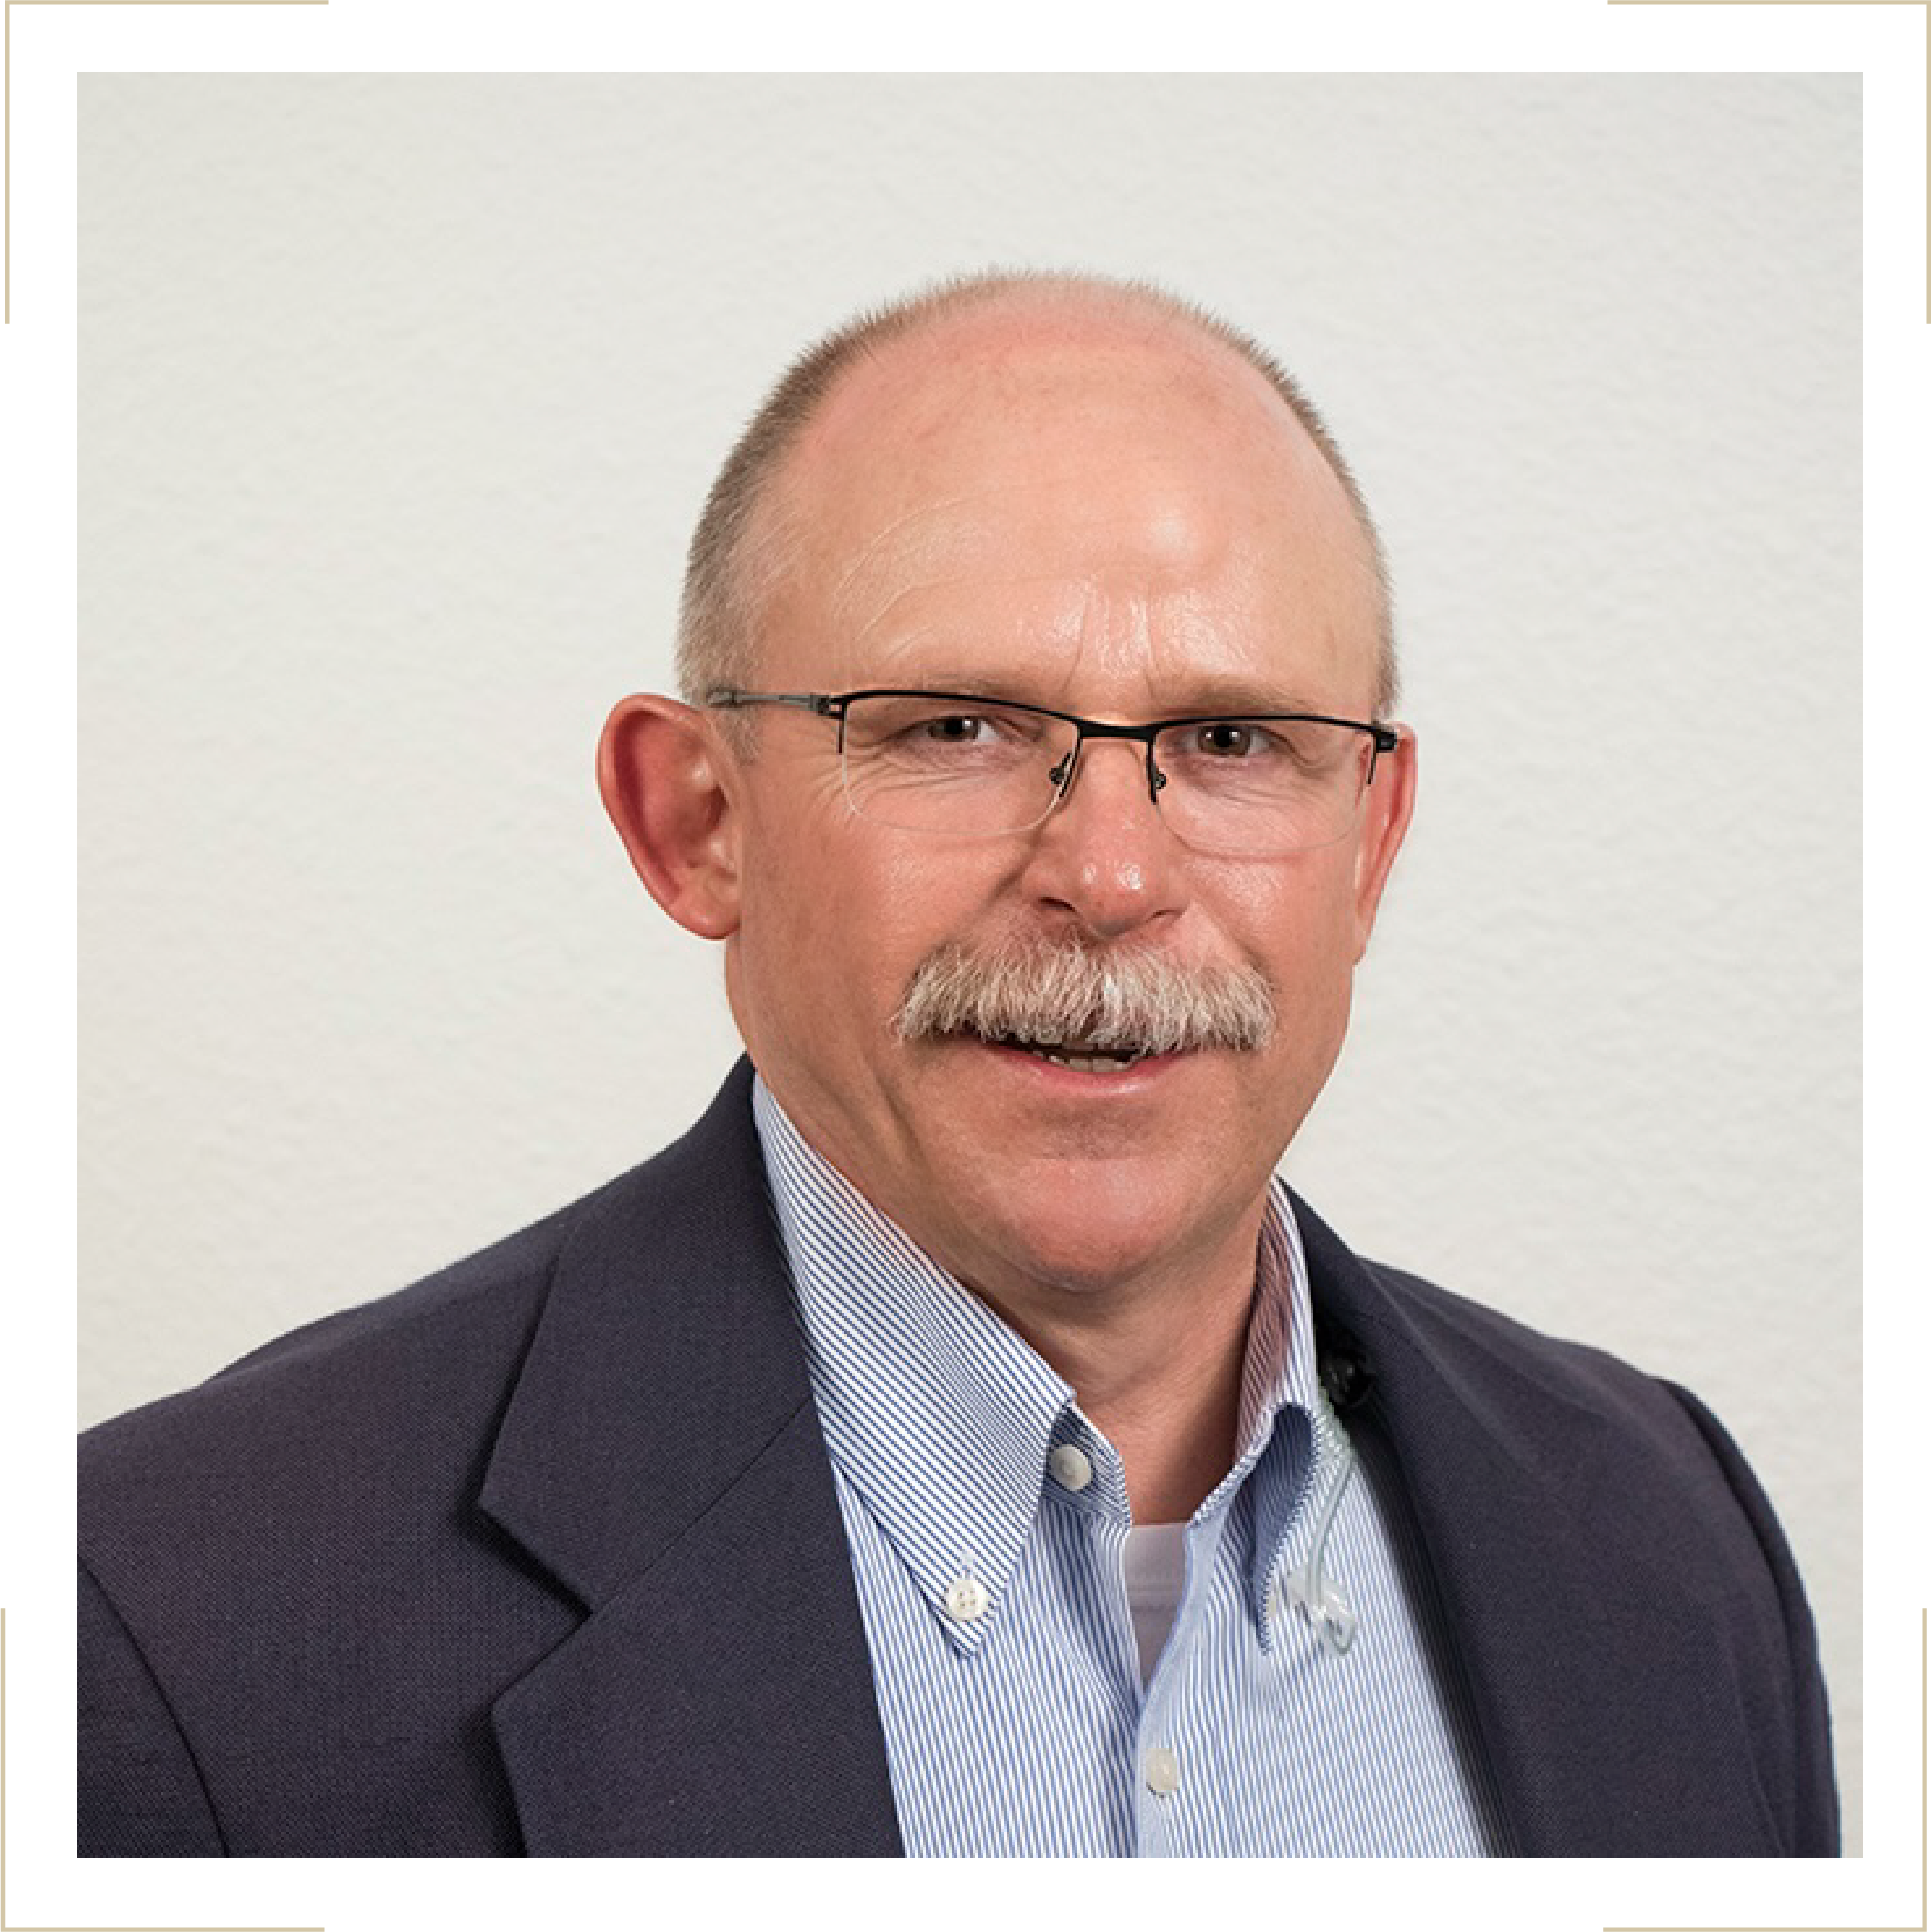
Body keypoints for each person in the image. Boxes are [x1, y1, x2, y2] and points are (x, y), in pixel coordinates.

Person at [79, 270, 1836, 1860]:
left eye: (1231, 739)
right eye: (955, 727)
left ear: (1369, 845)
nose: (1113, 876)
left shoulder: (1670, 1542)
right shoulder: (173, 1621)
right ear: (694, 823)